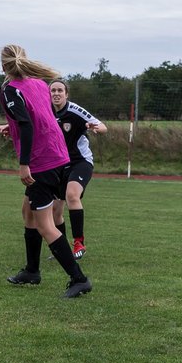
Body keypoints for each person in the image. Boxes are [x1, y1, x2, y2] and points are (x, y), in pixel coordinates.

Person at [0, 45, 92, 298]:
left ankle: (79, 279)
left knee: (45, 224)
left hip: (41, 161)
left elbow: (27, 124)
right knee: (27, 211)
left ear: (3, 65)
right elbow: (42, 117)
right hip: (59, 154)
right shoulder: (38, 84)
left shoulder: (10, 90)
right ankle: (31, 271)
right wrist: (11, 127)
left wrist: (24, 163)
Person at [49, 79, 107, 260]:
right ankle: (62, 249)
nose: (56, 94)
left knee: (72, 195)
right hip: (58, 164)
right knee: (55, 211)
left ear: (66, 94)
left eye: (60, 90)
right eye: (53, 91)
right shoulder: (45, 111)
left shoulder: (75, 111)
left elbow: (103, 126)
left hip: (80, 162)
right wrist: (8, 128)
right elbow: (26, 124)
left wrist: (96, 128)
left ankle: (79, 242)